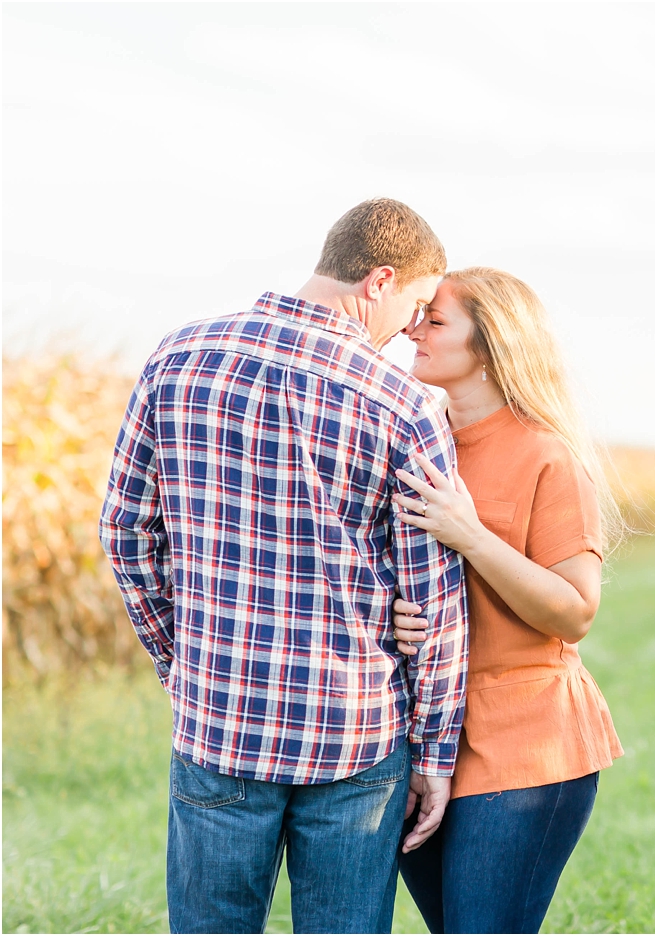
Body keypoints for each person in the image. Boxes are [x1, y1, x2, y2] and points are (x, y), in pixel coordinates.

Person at [98, 199, 470, 934]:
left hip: (219, 721)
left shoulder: (177, 357)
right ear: (379, 280)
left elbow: (124, 531)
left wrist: (183, 662)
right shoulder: (403, 406)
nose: (406, 331)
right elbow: (434, 604)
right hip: (356, 739)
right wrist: (435, 752)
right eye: (416, 305)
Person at [389, 267, 625, 934]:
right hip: (426, 738)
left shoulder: (548, 456)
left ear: (490, 346)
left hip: (526, 744)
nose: (414, 329)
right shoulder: (416, 443)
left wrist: (469, 535)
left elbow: (574, 609)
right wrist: (394, 615)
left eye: (435, 321)